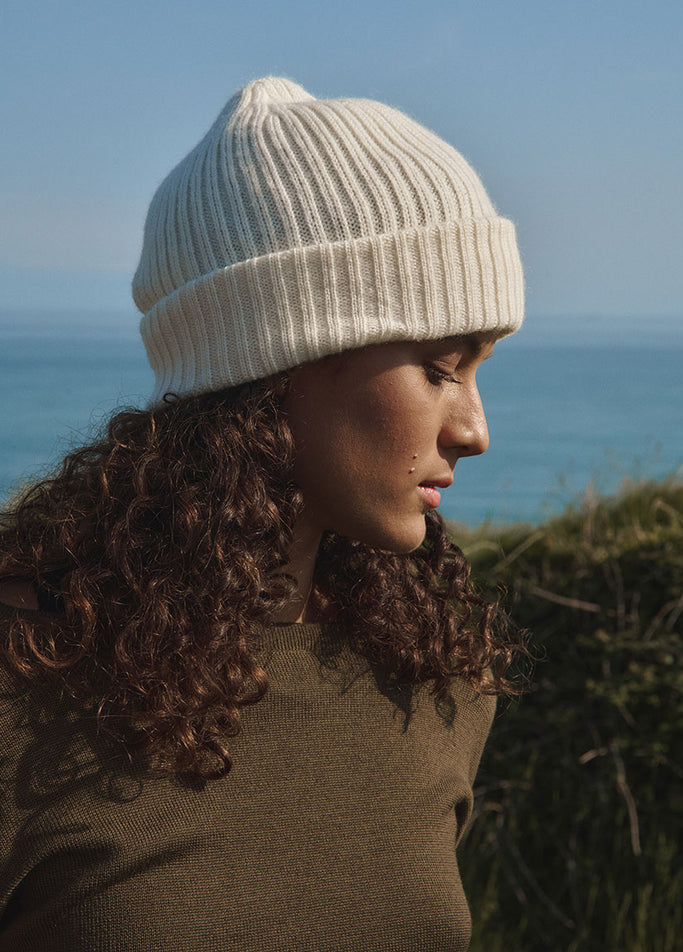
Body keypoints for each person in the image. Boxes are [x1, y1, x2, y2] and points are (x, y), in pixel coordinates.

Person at [0, 77, 525, 951]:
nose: (472, 429)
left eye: (478, 372)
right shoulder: (27, 682)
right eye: (439, 367)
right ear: (279, 357)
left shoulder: (434, 686)